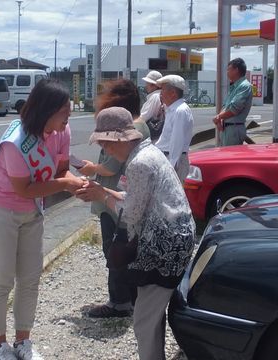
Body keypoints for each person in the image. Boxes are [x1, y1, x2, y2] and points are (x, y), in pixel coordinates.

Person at [76, 106, 196, 360]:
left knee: (143, 318)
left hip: (164, 245)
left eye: (106, 143)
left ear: (120, 139)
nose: (105, 150)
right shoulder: (148, 152)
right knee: (152, 311)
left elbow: (130, 214)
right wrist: (104, 192)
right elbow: (136, 200)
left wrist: (102, 196)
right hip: (176, 237)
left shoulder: (139, 164)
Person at [0, 79, 84, 360]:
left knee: (30, 278)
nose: (68, 121)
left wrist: (82, 184)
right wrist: (66, 185)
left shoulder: (62, 131)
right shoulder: (17, 140)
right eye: (64, 114)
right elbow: (24, 188)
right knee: (0, 280)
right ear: (46, 110)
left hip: (32, 211)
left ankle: (23, 341)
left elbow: (61, 172)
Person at [77, 79, 149, 318]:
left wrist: (90, 169)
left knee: (115, 250)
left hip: (115, 203)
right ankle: (130, 298)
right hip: (120, 197)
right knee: (124, 249)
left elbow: (110, 166)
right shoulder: (141, 126)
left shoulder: (130, 132)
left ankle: (119, 302)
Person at [154, 75, 194, 183]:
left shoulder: (180, 111)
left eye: (162, 90)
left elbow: (177, 141)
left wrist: (170, 167)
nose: (160, 94)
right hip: (169, 158)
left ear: (173, 93)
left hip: (174, 161)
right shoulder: (173, 109)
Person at [212, 57, 252, 146]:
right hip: (227, 128)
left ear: (236, 70)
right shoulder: (235, 86)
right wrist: (220, 117)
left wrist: (218, 117)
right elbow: (226, 106)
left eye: (229, 69)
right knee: (223, 157)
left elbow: (234, 109)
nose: (227, 72)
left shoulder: (244, 86)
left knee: (229, 157)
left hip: (234, 129)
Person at [140, 70, 164, 141]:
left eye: (147, 83)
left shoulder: (155, 96)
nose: (146, 86)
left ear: (154, 85)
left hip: (153, 134)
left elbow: (144, 117)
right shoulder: (160, 95)